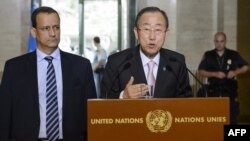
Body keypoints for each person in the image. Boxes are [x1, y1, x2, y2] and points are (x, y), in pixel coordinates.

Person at [0, 6, 97, 141]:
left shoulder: (81, 66)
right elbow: (4, 116)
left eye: (56, 27)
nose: (53, 33)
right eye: (46, 28)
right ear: (34, 32)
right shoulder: (14, 68)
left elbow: (91, 114)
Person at [101, 6, 192, 99]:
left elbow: (186, 101)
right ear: (136, 33)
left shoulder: (177, 62)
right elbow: (103, 101)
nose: (152, 37)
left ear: (166, 34)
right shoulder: (117, 62)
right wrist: (123, 96)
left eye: (158, 30)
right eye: (146, 29)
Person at [198, 32, 249, 124]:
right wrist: (215, 74)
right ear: (214, 42)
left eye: (221, 41)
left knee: (231, 119)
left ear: (225, 42)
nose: (219, 44)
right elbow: (200, 71)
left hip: (230, 92)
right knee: (214, 120)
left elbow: (246, 67)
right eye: (217, 41)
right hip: (213, 91)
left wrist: (235, 72)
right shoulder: (208, 55)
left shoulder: (233, 54)